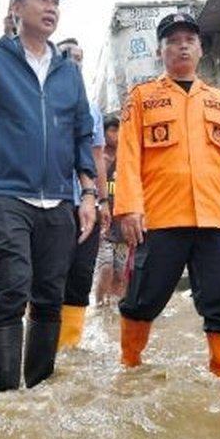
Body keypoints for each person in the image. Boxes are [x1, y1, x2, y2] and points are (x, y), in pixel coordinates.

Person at [0, 0, 98, 394]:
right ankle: (4, 399)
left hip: (58, 201)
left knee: (50, 296)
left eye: (55, 0)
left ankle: (37, 393)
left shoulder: (68, 72)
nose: (51, 6)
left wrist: (88, 193)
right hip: (5, 195)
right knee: (11, 291)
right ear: (15, 7)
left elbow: (80, 136)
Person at [114, 12, 220, 383]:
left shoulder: (219, 102)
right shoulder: (142, 99)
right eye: (173, 40)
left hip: (214, 220)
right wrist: (129, 208)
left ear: (200, 49)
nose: (182, 45)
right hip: (160, 219)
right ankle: (130, 367)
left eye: (189, 39)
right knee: (142, 300)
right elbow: (128, 157)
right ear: (160, 50)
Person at [54, 38, 109, 349]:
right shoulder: (40, 98)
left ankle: (69, 347)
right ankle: (42, 341)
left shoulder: (91, 109)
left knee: (81, 273)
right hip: (50, 204)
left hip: (86, 204)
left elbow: (97, 156)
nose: (73, 61)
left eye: (79, 57)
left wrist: (103, 200)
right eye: (66, 55)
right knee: (48, 275)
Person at [93, 115, 128, 306]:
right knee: (106, 268)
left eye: (119, 130)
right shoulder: (99, 160)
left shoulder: (126, 159)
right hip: (103, 225)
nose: (117, 135)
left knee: (120, 273)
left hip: (122, 225)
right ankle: (99, 307)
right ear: (103, 134)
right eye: (113, 130)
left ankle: (115, 313)